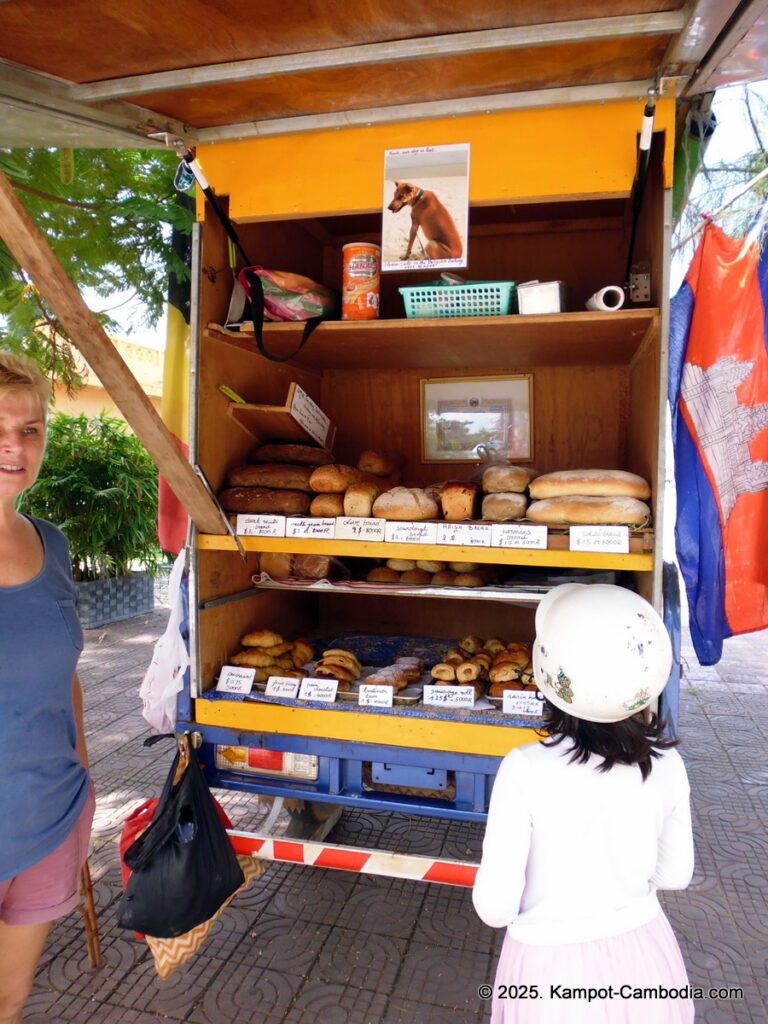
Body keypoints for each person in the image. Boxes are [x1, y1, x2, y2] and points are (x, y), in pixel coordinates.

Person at [473, 583, 694, 1023]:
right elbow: (675, 875)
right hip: (647, 963)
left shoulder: (525, 768)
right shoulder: (667, 763)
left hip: (549, 979)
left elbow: (495, 908)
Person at [0, 352, 94, 1024]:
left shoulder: (52, 543)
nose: (15, 446)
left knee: (9, 998)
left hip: (48, 816)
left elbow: (67, 677)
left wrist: (85, 776)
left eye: (31, 429)